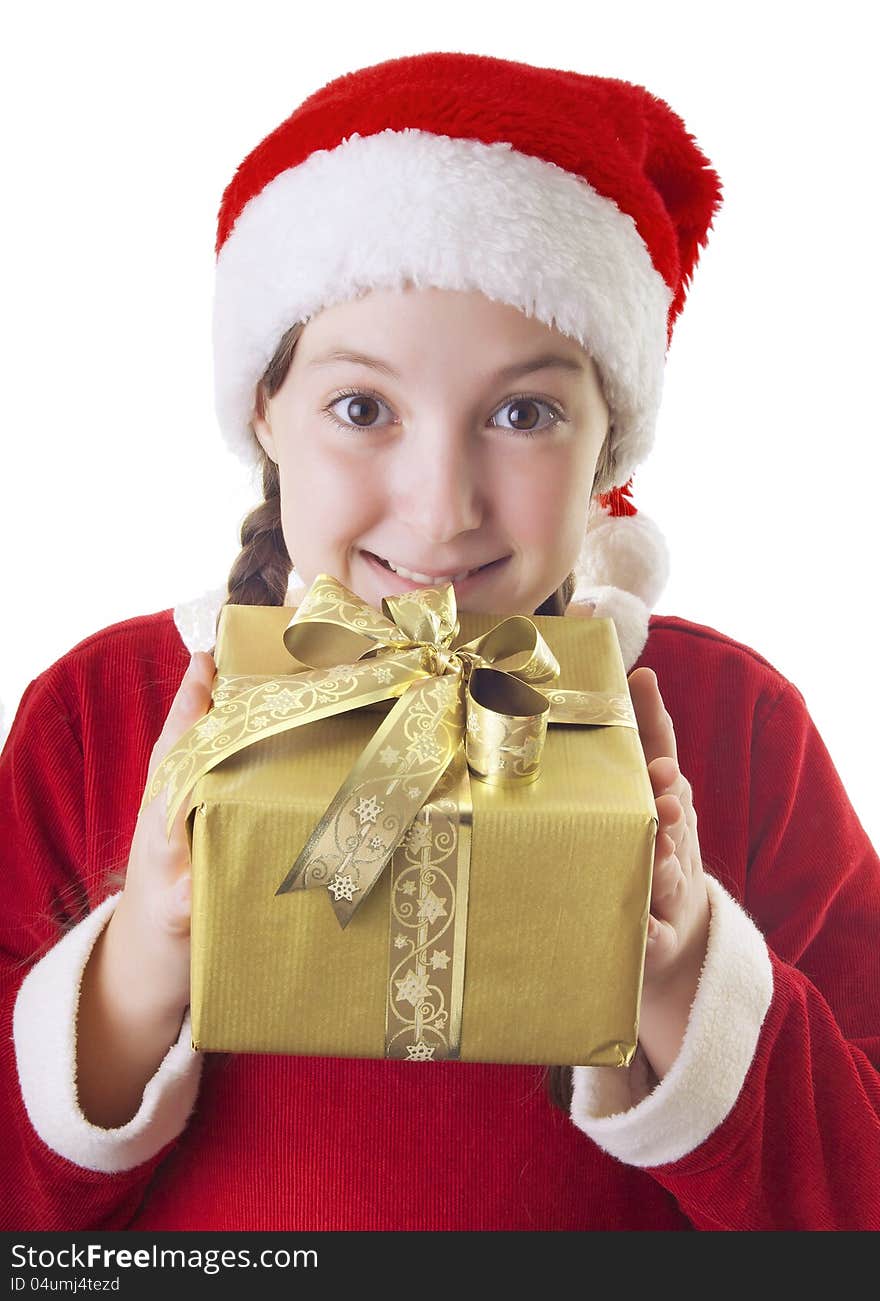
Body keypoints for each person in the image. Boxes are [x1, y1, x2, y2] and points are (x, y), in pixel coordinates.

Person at [2, 50, 878, 1233]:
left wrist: (686, 984)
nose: (441, 507)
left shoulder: (737, 728)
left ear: (610, 440)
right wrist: (141, 966)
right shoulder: (97, 720)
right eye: (362, 408)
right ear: (263, 410)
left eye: (524, 412)